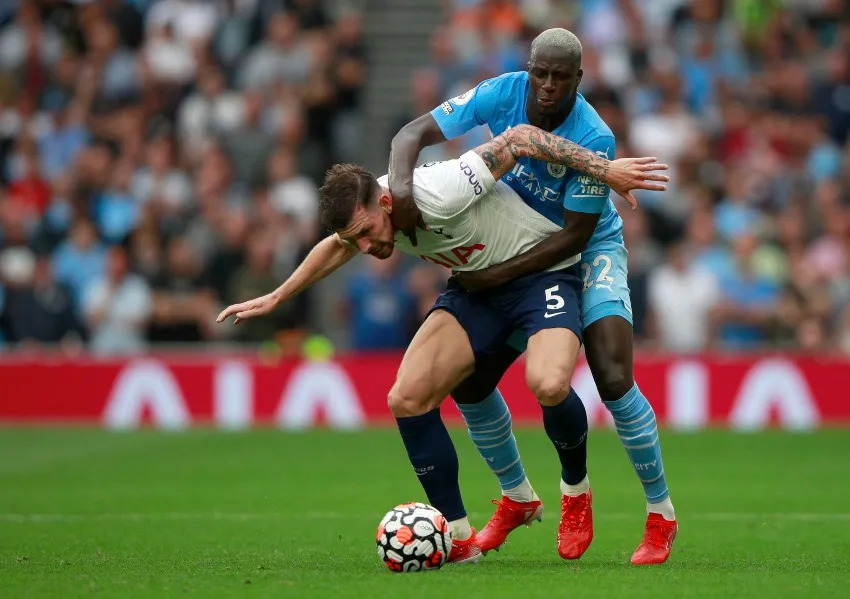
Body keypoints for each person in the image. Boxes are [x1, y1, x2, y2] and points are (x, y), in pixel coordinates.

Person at [217, 125, 668, 563]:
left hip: (540, 272)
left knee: (549, 383)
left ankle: (575, 491)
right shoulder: (366, 215)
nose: (367, 246)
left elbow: (518, 139)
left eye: (368, 231)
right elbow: (336, 245)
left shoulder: (443, 189)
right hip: (478, 288)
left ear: (388, 202)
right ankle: (459, 536)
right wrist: (278, 295)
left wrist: (602, 169)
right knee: (406, 397)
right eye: (357, 238)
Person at [389, 28, 677, 565]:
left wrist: (493, 276)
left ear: (579, 79)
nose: (546, 86)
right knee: (471, 383)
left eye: (559, 77)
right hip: (515, 249)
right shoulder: (502, 90)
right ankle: (517, 496)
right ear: (529, 68)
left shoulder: (594, 135)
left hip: (585, 250)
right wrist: (401, 193)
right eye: (539, 73)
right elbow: (410, 135)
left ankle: (658, 514)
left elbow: (573, 236)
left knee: (613, 377)